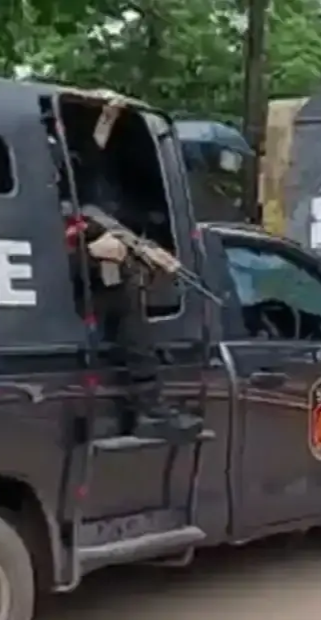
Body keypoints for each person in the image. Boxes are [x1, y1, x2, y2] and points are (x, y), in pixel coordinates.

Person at [66, 140, 203, 443]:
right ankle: (148, 406)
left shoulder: (88, 213)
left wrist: (144, 254)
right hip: (63, 318)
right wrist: (86, 253)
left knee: (127, 286)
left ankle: (148, 405)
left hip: (91, 316)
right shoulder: (51, 211)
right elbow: (41, 257)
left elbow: (107, 233)